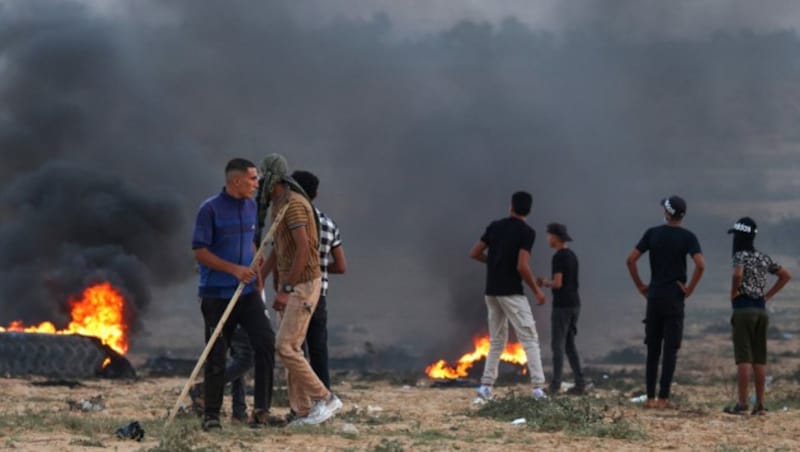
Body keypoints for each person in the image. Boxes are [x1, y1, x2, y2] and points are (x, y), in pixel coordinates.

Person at [191, 158, 276, 430]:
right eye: (252, 179)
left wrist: (259, 281)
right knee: (217, 354)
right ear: (236, 180)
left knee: (265, 343)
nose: (256, 184)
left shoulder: (251, 207)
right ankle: (211, 416)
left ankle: (261, 411)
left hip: (247, 293)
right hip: (217, 294)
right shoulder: (210, 209)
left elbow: (252, 246)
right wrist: (233, 270)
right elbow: (200, 251)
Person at [259, 154, 342, 426]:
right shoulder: (279, 206)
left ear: (276, 179)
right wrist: (261, 277)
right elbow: (278, 248)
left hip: (303, 286)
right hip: (292, 285)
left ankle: (324, 398)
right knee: (292, 347)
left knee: (285, 346)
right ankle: (303, 412)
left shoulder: (294, 206)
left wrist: (286, 288)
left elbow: (305, 248)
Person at [626, 195, 704, 409]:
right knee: (670, 350)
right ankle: (664, 398)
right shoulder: (688, 237)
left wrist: (641, 285)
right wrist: (689, 289)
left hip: (655, 297)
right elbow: (700, 265)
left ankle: (650, 398)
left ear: (667, 213)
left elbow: (631, 260)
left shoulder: (652, 234)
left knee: (653, 349)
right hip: (675, 299)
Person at [470, 191, 548, 401]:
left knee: (497, 341)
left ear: (510, 206)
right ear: (529, 210)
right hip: (512, 292)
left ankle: (486, 388)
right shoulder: (527, 232)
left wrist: (494, 263)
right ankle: (538, 389)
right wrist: (537, 291)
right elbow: (522, 266)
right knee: (529, 338)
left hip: (492, 291)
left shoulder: (495, 226)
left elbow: (475, 253)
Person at [723, 217, 791, 415]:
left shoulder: (740, 256)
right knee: (759, 358)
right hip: (761, 310)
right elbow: (785, 275)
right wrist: (767, 295)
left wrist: (733, 292)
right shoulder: (763, 257)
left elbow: (737, 274)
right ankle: (760, 405)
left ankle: (742, 404)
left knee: (744, 357)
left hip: (744, 309)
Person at [291, 170, 347, 390]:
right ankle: (324, 397)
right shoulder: (328, 223)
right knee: (318, 349)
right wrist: (320, 267)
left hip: (296, 292)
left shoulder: (291, 222)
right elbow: (341, 266)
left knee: (294, 350)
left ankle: (302, 401)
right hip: (319, 294)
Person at [537, 223, 586, 395]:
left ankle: (555, 386)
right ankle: (580, 383)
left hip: (562, 306)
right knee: (569, 345)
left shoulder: (558, 257)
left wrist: (544, 282)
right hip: (575, 304)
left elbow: (558, 283)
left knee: (557, 345)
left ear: (555, 237)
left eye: (549, 235)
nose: (547, 239)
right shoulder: (572, 255)